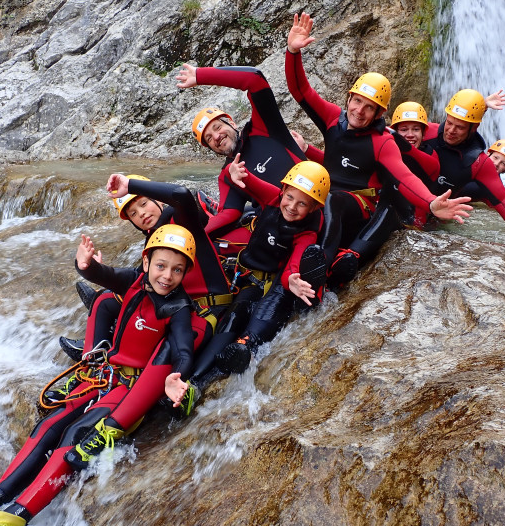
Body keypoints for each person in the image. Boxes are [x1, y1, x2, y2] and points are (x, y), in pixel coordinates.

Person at [0, 225, 207, 526]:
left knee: (74, 435)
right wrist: (85, 265)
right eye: (161, 266)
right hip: (104, 377)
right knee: (49, 426)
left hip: (128, 390)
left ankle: (13, 517)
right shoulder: (134, 281)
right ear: (146, 263)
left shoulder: (178, 308)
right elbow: (104, 276)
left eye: (177, 270)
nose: (167, 276)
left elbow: (184, 349)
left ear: (185, 274)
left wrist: (178, 377)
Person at [285, 12, 473, 287]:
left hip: (360, 204)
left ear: (378, 113)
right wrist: (292, 52)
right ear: (348, 98)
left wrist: (431, 202)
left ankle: (319, 269)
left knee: (331, 201)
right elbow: (301, 91)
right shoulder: (331, 117)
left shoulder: (383, 141)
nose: (359, 111)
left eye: (368, 107)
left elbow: (404, 177)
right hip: (325, 193)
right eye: (356, 102)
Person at [57, 175, 233, 409]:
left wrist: (130, 186)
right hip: (173, 304)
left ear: (158, 201)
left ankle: (163, 386)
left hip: (206, 309)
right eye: (132, 213)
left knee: (168, 343)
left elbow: (180, 194)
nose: (140, 213)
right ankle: (92, 366)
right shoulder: (153, 241)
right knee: (105, 300)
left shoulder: (181, 221)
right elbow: (136, 282)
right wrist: (90, 269)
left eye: (143, 203)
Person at [213, 158, 329, 375]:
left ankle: (243, 348)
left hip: (264, 282)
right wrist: (232, 171)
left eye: (302, 204)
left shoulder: (308, 232)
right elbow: (244, 178)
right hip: (242, 270)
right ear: (283, 190)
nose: (292, 207)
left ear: (314, 207)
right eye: (290, 197)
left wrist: (292, 279)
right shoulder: (273, 197)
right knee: (229, 316)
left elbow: (293, 264)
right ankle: (200, 376)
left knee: (240, 312)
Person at [176, 63, 307, 249]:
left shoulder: (263, 127)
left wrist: (200, 75)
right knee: (220, 245)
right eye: (208, 138)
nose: (216, 136)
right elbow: (229, 213)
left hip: (313, 198)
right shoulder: (227, 176)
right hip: (281, 226)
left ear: (231, 122)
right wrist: (193, 241)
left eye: (217, 127)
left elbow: (255, 79)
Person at [422, 89, 505, 231]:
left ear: (474, 128)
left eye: (460, 128)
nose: (450, 130)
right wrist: (482, 105)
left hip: (432, 216)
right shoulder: (427, 131)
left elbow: (504, 200)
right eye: (449, 123)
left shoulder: (478, 163)